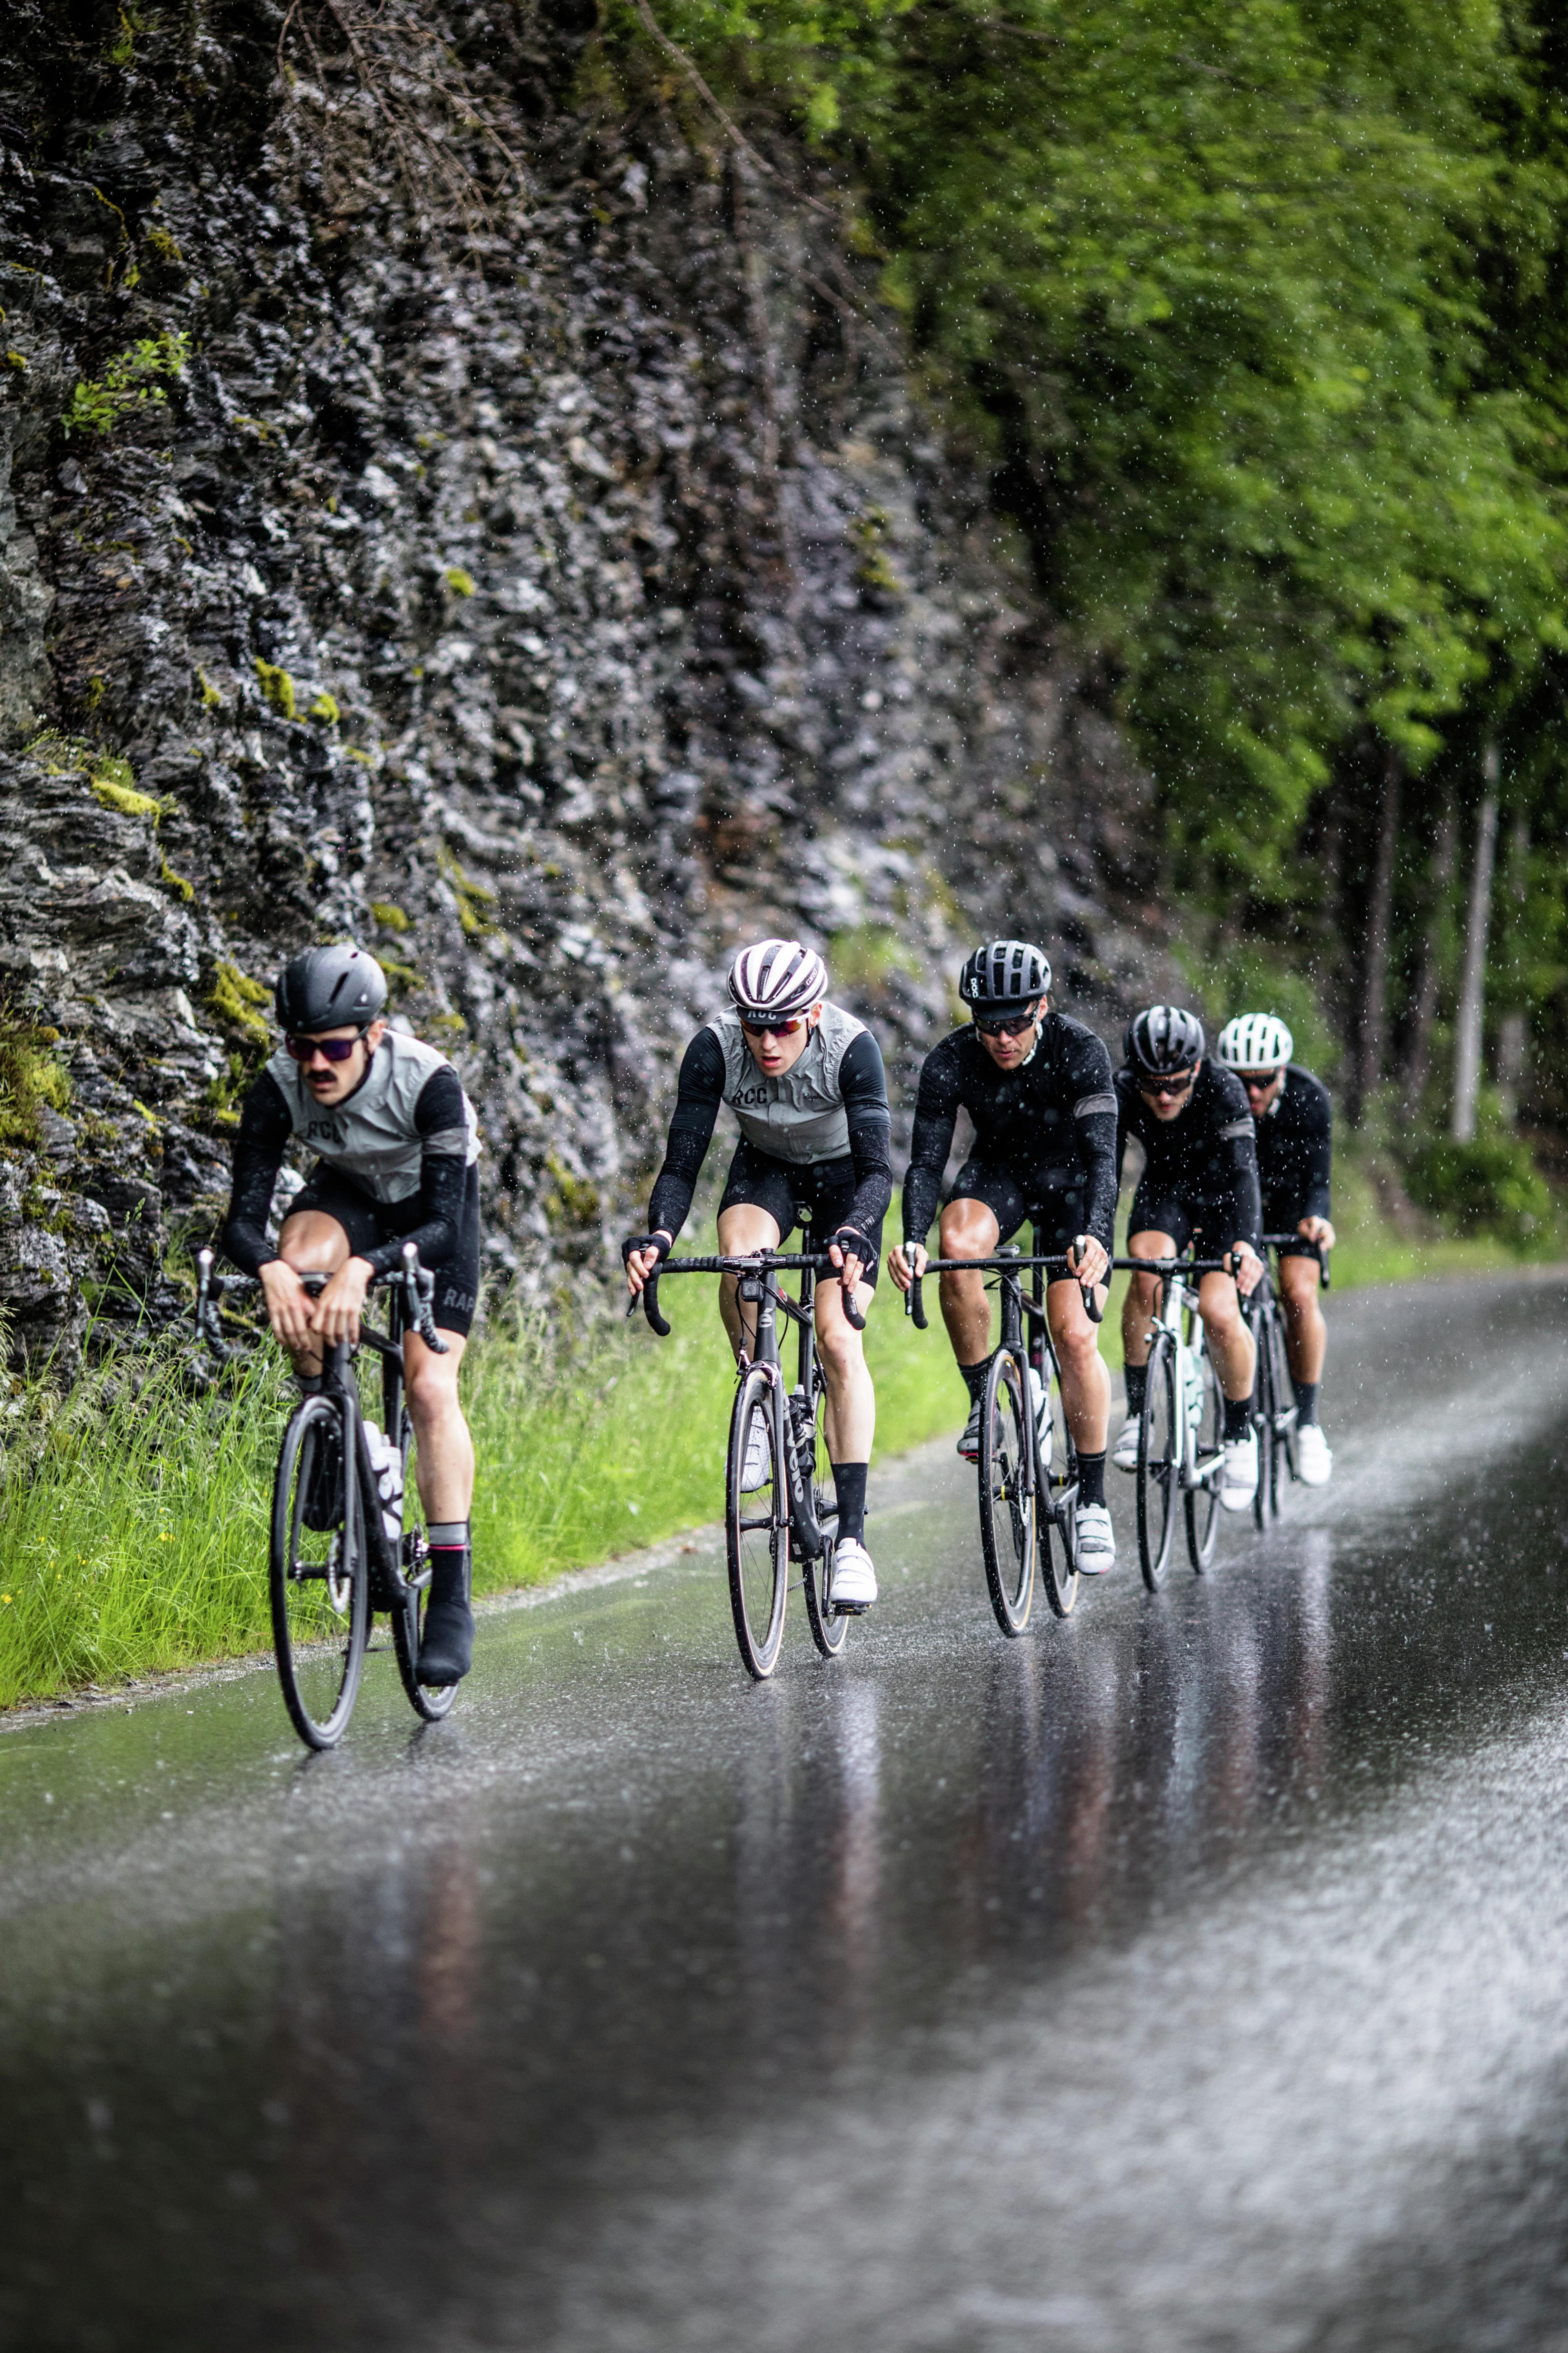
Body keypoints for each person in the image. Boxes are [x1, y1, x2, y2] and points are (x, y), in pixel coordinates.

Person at [220, 944, 482, 1684]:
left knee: (431, 1387)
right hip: (350, 1196)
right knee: (300, 1261)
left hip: (435, 1213)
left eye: (335, 1047)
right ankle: (333, 1424)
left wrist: (363, 1272)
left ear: (374, 1035)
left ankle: (453, 1593)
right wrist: (275, 1271)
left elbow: (439, 1221)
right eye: (302, 1047)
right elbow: (237, 1223)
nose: (317, 1065)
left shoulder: (429, 1082)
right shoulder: (277, 1087)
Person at [623, 941, 892, 1613]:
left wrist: (856, 1230)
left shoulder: (852, 1048)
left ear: (815, 1012)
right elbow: (682, 1163)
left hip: (845, 1187)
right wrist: (658, 1235)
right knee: (741, 1258)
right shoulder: (714, 1048)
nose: (768, 1041)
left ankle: (853, 1542)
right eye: (755, 1024)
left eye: (785, 1025)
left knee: (837, 1341)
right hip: (766, 1168)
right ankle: (758, 1393)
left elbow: (879, 1170)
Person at [889, 939, 1119, 1575]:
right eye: (987, 1024)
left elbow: (1104, 1160)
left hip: (1073, 1187)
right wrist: (912, 1235)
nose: (1002, 1038)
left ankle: (1094, 1499)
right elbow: (928, 1164)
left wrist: (1097, 1233)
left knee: (1074, 1335)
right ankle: (983, 1399)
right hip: (1001, 1176)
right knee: (956, 1246)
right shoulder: (951, 1060)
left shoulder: (1081, 1050)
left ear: (1042, 1007)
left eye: (1017, 1022)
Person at [1114, 1004, 1264, 1510]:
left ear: (1197, 1069)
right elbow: (1104, 1168)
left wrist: (1246, 1243)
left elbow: (1245, 1175)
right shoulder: (1122, 1088)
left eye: (1176, 1084)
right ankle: (1139, 1415)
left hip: (1224, 1201)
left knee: (1221, 1311)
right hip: (1166, 1193)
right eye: (1152, 1084)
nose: (1163, 1096)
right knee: (1146, 1272)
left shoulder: (1225, 1089)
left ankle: (1241, 1434)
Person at [1215, 1013, 1334, 1485]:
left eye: (1263, 1081)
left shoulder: (1310, 1097)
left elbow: (1319, 1180)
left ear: (1282, 1072)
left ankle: (1307, 1421)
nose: (1253, 1093)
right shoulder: (1218, 1099)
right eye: (1241, 1082)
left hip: (1288, 1207)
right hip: (1231, 1205)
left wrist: (1318, 1217)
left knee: (1299, 1295)